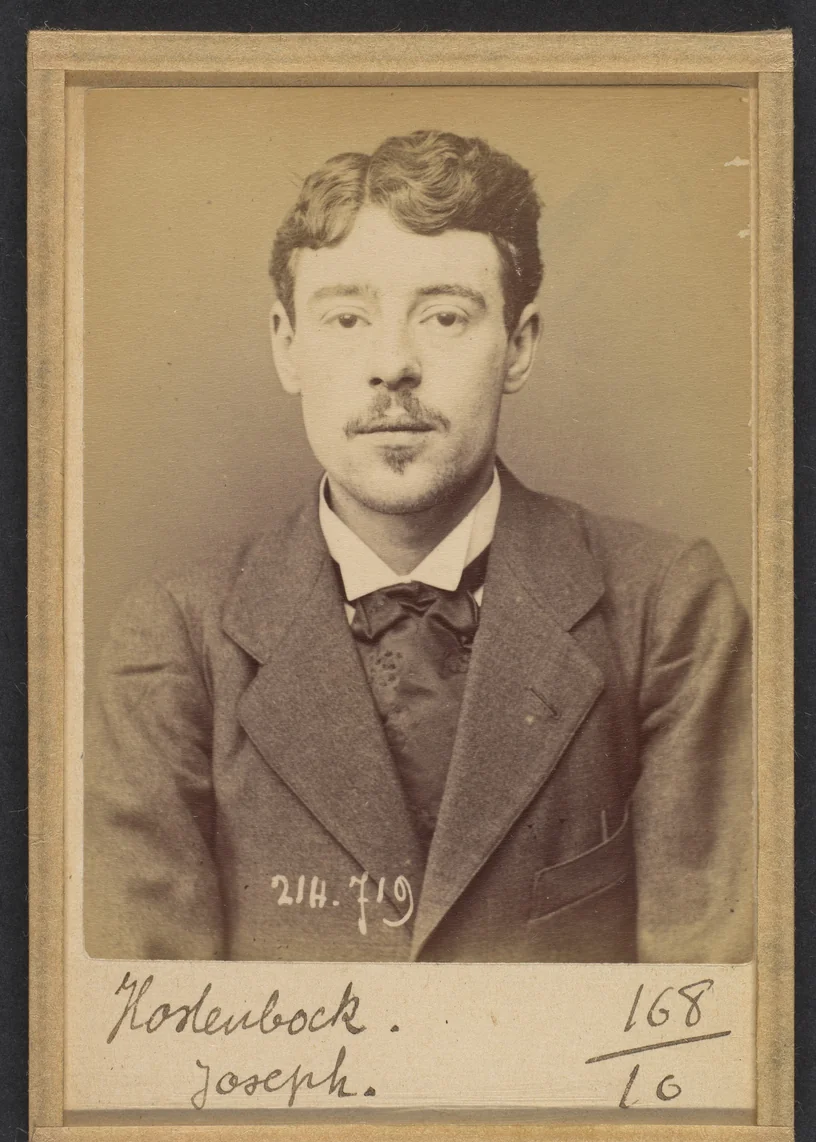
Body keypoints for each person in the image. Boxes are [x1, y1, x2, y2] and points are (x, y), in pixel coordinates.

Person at [84, 130, 753, 964]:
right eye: (346, 317)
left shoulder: (669, 613)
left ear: (519, 344)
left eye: (444, 316)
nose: (392, 364)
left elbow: (712, 1020)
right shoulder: (177, 637)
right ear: (288, 346)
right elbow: (140, 1034)